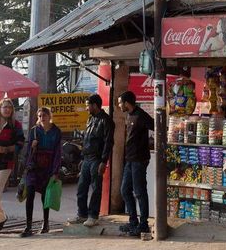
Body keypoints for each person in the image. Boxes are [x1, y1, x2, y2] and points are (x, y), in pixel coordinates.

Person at [68, 94, 115, 227]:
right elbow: (87, 140)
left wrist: (103, 161)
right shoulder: (90, 119)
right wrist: (82, 158)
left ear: (95, 105)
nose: (86, 107)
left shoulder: (106, 121)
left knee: (96, 189)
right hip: (87, 158)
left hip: (97, 159)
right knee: (81, 188)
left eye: (88, 105)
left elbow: (108, 142)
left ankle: (93, 216)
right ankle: (81, 214)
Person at [20, 107, 62, 237]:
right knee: (30, 193)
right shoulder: (33, 131)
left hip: (48, 167)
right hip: (34, 167)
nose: (41, 118)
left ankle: (46, 223)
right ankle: (28, 226)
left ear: (50, 116)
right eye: (39, 116)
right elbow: (27, 153)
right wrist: (32, 146)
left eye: (44, 115)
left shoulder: (56, 132)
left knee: (45, 196)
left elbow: (57, 153)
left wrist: (55, 171)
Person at [118, 91, 154, 236]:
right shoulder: (129, 115)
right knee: (125, 190)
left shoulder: (141, 115)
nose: (119, 105)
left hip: (139, 160)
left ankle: (143, 224)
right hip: (130, 160)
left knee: (139, 192)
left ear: (127, 103)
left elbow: (156, 126)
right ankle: (133, 222)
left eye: (120, 102)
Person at [0, 98, 25, 231]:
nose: (7, 109)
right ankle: (1, 218)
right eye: (5, 107)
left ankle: (1, 218)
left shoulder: (16, 125)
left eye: (9, 107)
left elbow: (21, 143)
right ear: (0, 108)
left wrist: (7, 149)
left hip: (6, 161)